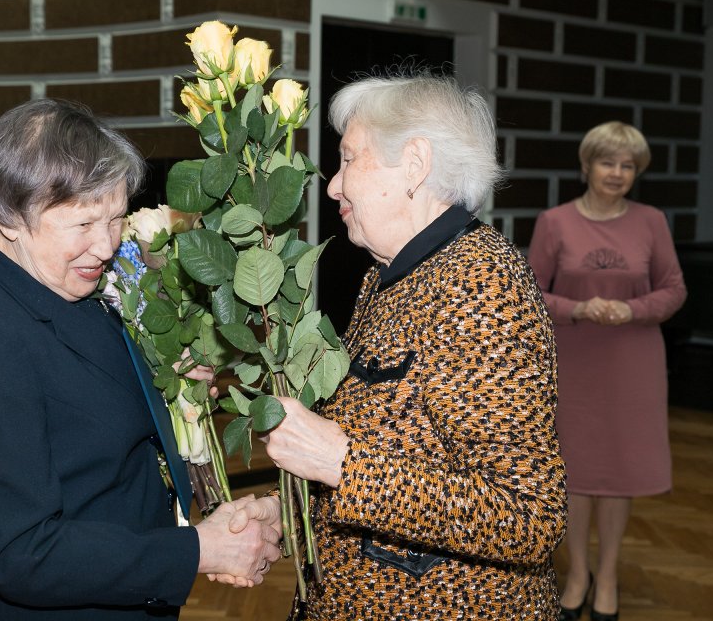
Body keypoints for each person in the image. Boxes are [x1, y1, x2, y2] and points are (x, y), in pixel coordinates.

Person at [0, 98, 281, 620]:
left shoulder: (55, 278)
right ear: (12, 216)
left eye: (117, 218)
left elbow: (79, 404)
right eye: (83, 224)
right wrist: (201, 550)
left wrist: (164, 379)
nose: (107, 247)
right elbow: (22, 553)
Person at [230, 73, 567, 619]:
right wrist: (290, 514)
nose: (333, 186)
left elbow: (529, 518)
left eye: (348, 160)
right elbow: (402, 450)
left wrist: (343, 464)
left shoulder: (479, 288)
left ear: (414, 164)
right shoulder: (391, 274)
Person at [527, 121, 686, 621]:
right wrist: (576, 308)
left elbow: (674, 289)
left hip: (633, 364)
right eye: (607, 162)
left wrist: (631, 310)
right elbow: (530, 293)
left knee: (619, 472)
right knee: (575, 471)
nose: (617, 173)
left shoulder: (651, 221)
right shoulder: (553, 222)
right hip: (573, 363)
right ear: (586, 165)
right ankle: (577, 573)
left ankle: (609, 573)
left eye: (628, 165)